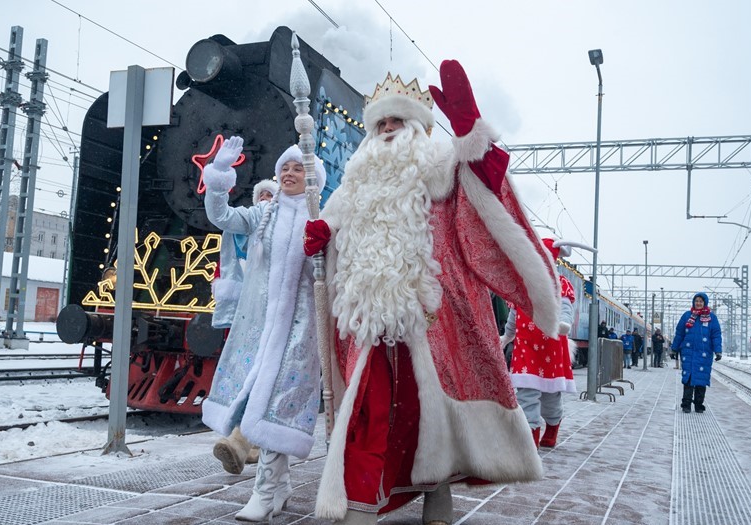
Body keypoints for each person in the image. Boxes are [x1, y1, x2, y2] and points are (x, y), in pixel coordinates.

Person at [305, 61, 561, 525]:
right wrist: (326, 231)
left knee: (429, 411)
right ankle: (362, 505)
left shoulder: (442, 169)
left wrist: (473, 138)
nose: (386, 130)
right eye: (379, 123)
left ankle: (437, 491)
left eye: (395, 121)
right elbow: (337, 224)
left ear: (418, 129)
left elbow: (486, 196)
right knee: (370, 409)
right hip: (370, 324)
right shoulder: (354, 185)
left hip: (435, 320)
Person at [201, 139, 325, 521]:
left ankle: (265, 491)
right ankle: (278, 486)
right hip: (258, 327)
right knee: (258, 400)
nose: (289, 174)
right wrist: (219, 177)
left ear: (312, 178)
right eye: (285, 169)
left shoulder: (320, 217)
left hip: (299, 331)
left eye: (297, 169)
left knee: (277, 403)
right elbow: (221, 217)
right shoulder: (263, 214)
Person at [208, 178, 278, 475]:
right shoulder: (250, 219)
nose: (264, 197)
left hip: (279, 308)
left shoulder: (289, 221)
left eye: (269, 193)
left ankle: (244, 442)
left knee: (266, 376)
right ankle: (245, 442)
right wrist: (217, 179)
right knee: (253, 373)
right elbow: (222, 216)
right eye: (260, 193)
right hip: (250, 309)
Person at [501, 238, 578, 449]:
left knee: (550, 397)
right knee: (526, 394)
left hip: (551, 349)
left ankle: (552, 426)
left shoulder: (560, 284)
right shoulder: (521, 286)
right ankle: (531, 437)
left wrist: (564, 324)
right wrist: (507, 336)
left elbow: (565, 309)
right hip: (525, 348)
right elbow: (514, 315)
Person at [671, 292, 722, 413]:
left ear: (705, 303)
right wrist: (674, 348)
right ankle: (686, 404)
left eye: (701, 301)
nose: (698, 303)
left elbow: (716, 335)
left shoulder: (712, 318)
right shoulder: (687, 316)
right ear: (693, 302)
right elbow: (679, 334)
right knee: (688, 379)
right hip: (688, 353)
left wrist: (718, 351)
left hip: (704, 354)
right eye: (696, 301)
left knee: (701, 380)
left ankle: (699, 405)